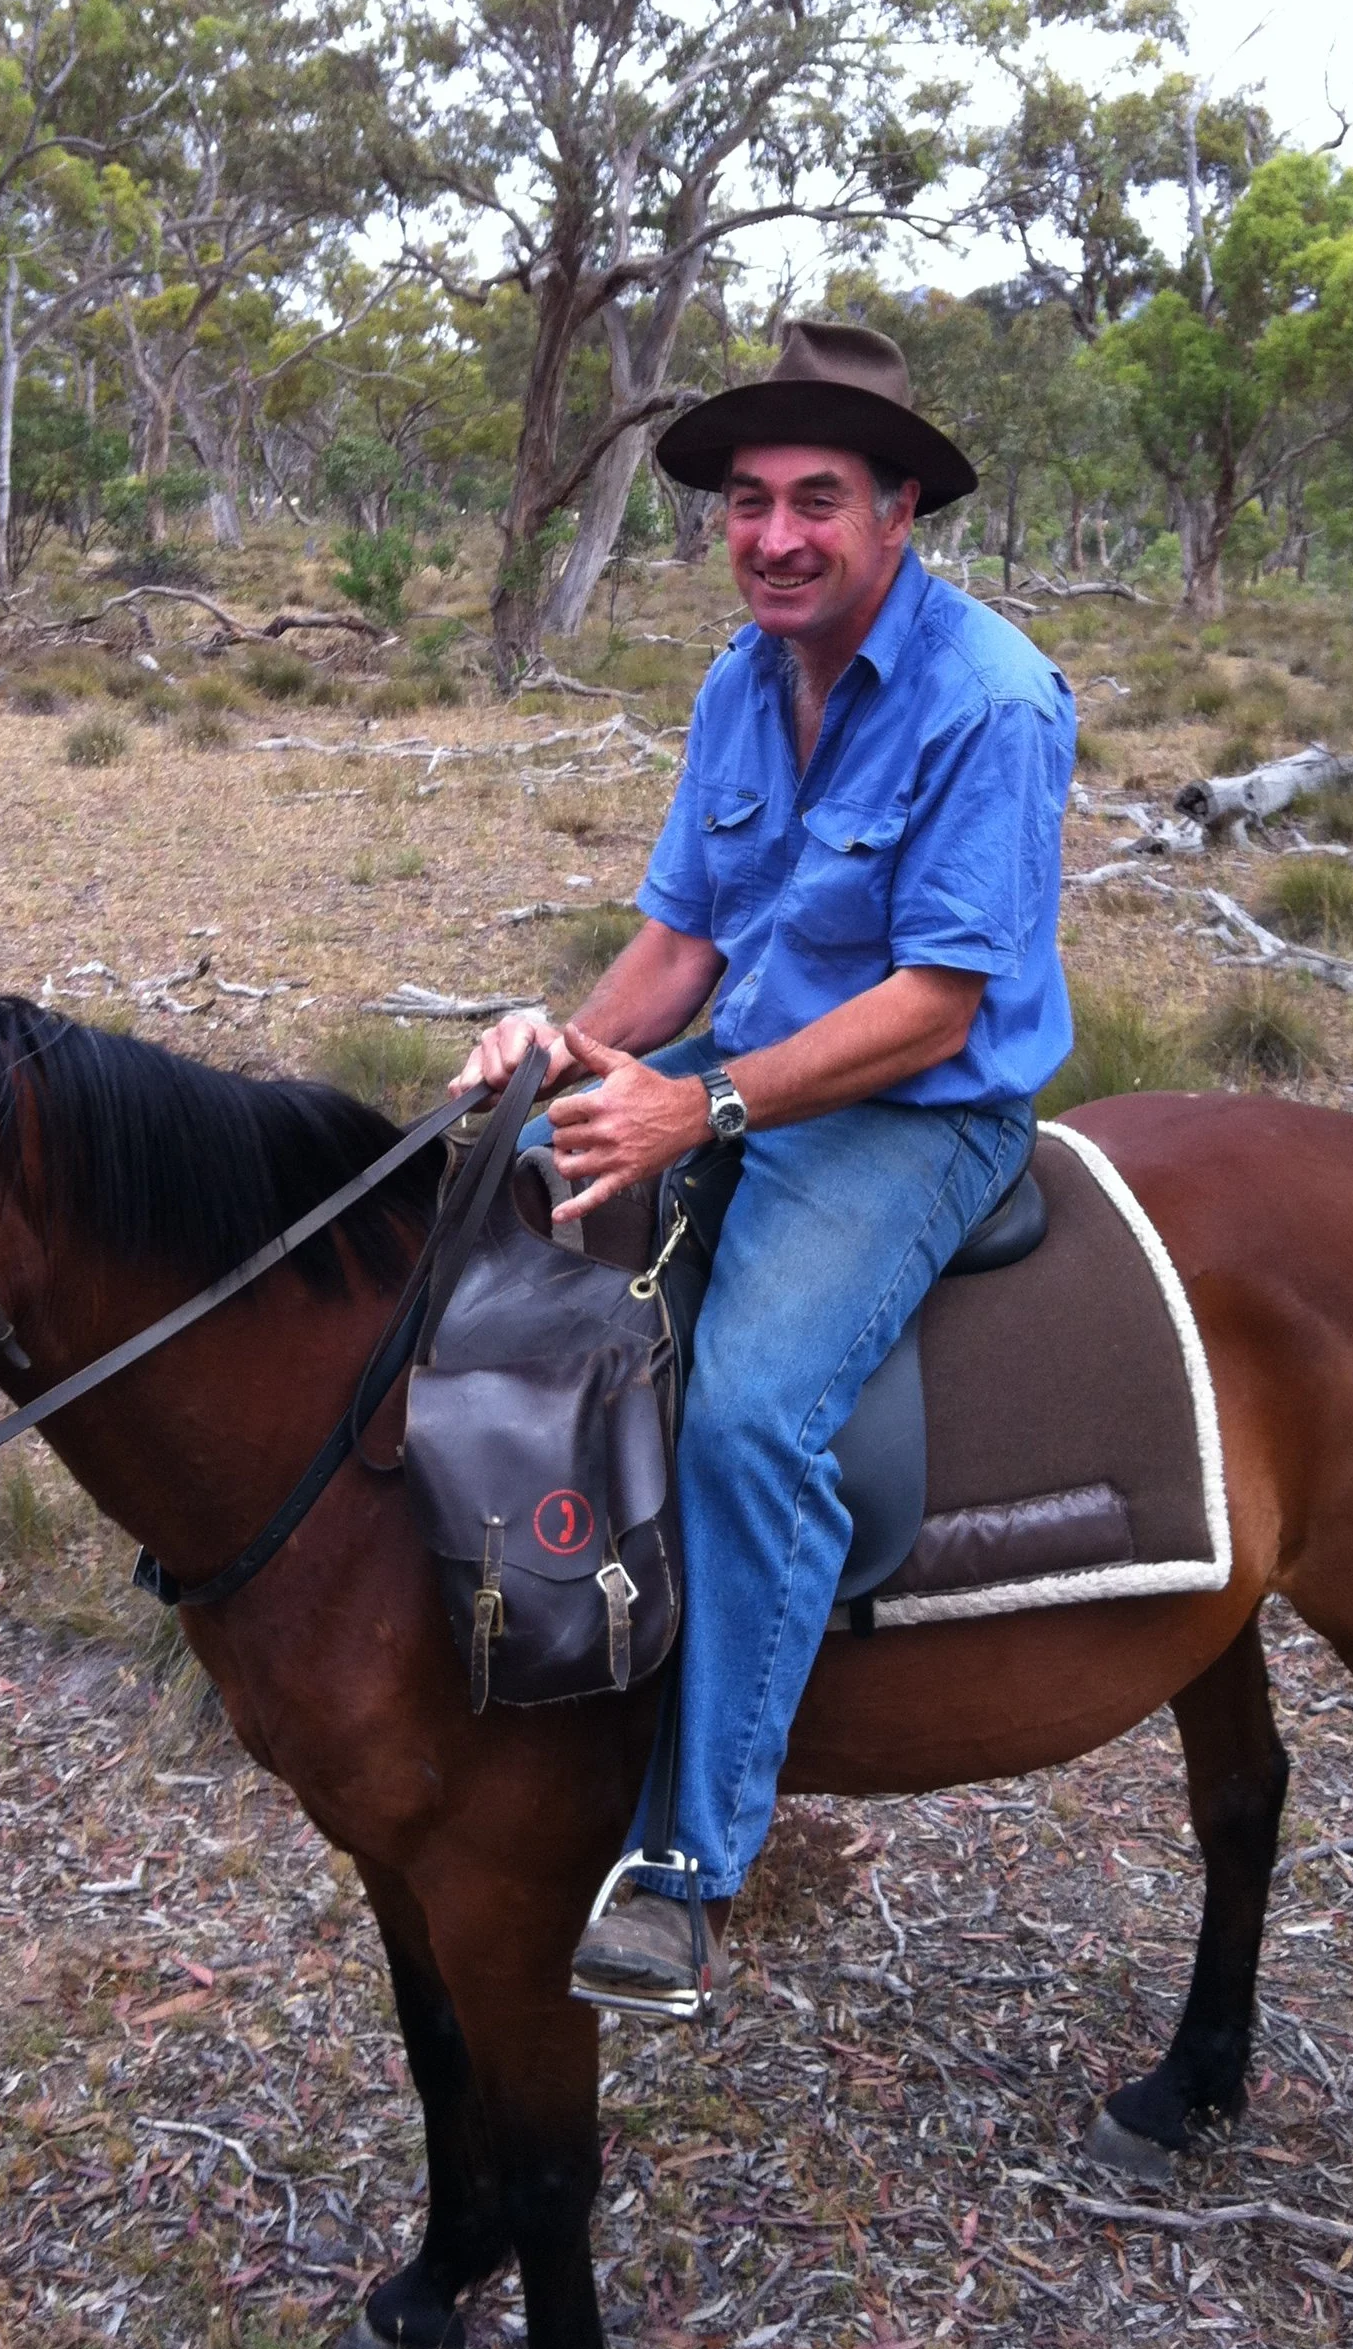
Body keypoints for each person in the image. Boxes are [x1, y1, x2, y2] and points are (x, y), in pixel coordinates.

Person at [454, 320, 1076, 2014]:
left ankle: (691, 1852)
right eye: (747, 502)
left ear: (897, 515)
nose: (777, 535)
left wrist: (693, 1112)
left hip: (909, 1112)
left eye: (818, 499)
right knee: (475, 1223)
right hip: (737, 1068)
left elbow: (937, 1008)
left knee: (746, 1409)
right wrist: (567, 1051)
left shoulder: (991, 705)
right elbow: (682, 942)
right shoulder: (746, 676)